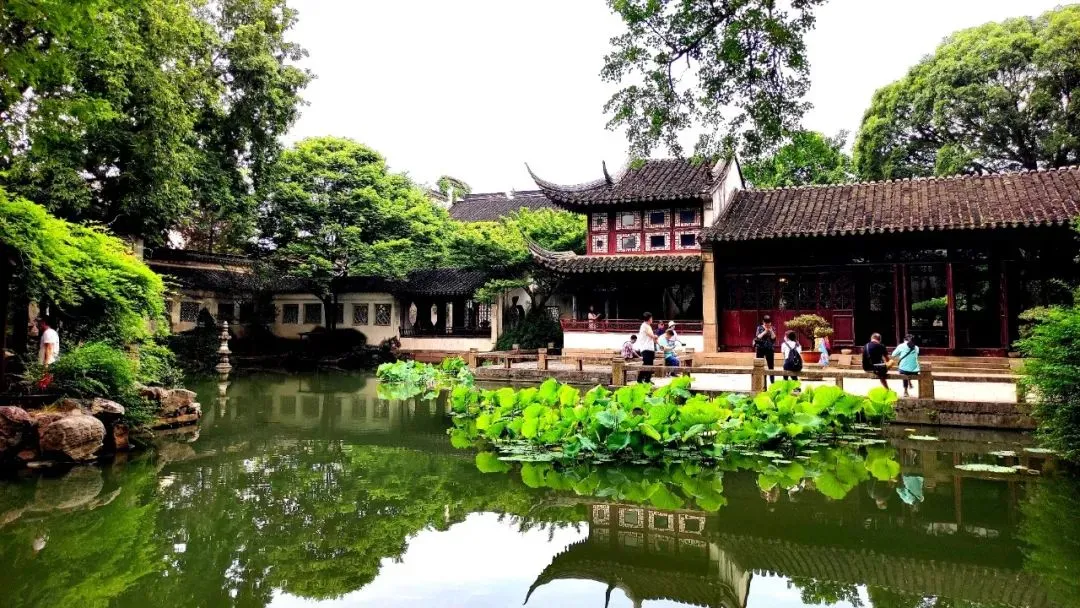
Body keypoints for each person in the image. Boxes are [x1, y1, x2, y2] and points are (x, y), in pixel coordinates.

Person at [753, 315, 777, 385]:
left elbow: (773, 338)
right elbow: (758, 337)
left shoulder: (772, 328)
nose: (767, 325)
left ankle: (772, 383)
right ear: (763, 322)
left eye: (769, 323)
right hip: (760, 349)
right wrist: (765, 332)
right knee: (759, 366)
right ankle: (760, 384)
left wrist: (771, 331)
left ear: (770, 323)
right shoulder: (759, 328)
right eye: (766, 323)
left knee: (771, 366)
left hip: (769, 349)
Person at [637, 312, 659, 383]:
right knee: (646, 364)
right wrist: (655, 336)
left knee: (650, 364)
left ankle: (647, 379)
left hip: (650, 348)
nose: (652, 319)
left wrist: (659, 344)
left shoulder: (649, 326)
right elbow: (651, 335)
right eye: (651, 318)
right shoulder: (644, 325)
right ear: (649, 318)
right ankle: (640, 379)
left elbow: (652, 338)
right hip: (645, 348)